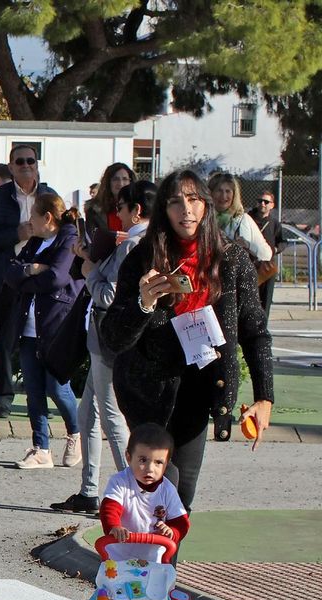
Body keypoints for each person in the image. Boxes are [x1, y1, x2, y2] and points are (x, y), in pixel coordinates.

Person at [101, 169, 275, 510]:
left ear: (207, 206)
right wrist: (143, 304)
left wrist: (264, 398)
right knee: (158, 491)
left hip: (201, 386)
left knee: (181, 499)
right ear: (164, 210)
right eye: (176, 202)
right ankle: (149, 562)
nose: (186, 210)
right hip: (148, 392)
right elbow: (114, 339)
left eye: (194, 200)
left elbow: (255, 332)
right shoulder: (142, 257)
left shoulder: (233, 259)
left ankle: (162, 565)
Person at [53, 180, 152, 514]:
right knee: (90, 411)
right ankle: (89, 489)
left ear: (136, 209)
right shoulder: (134, 241)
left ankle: (134, 492)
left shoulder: (133, 243)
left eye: (121, 208)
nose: (117, 214)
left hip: (110, 338)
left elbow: (110, 295)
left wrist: (89, 269)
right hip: (104, 338)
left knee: (110, 414)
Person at [0, 145, 58, 418]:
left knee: (43, 340)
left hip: (41, 280)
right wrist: (15, 233)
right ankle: (2, 400)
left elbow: (64, 233)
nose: (25, 165)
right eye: (19, 161)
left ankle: (46, 398)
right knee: (6, 342)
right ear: (10, 167)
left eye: (30, 161)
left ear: (37, 164)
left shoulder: (49, 197)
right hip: (8, 279)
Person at [4, 193, 81, 469]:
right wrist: (33, 269)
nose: (29, 222)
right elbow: (11, 274)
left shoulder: (69, 237)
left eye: (33, 216)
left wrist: (29, 276)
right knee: (34, 390)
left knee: (57, 388)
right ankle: (41, 448)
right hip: (28, 326)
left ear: (47, 217)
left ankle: (75, 432)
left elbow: (58, 277)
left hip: (56, 326)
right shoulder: (35, 241)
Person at [95, 423, 190, 562]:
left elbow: (181, 523)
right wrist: (114, 527)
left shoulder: (167, 490)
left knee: (159, 583)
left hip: (153, 560)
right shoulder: (120, 482)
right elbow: (110, 507)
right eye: (143, 460)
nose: (150, 469)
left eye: (158, 462)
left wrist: (172, 532)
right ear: (128, 457)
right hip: (118, 557)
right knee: (112, 583)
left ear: (167, 463)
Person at [209, 172, 273, 281]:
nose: (224, 196)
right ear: (210, 193)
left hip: (234, 282)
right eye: (219, 190)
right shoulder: (203, 219)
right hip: (208, 280)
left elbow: (266, 254)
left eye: (228, 191)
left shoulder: (242, 219)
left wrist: (247, 246)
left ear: (234, 195)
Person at [83, 163, 134, 266]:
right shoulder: (94, 210)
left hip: (131, 259)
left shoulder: (139, 208)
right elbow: (92, 242)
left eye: (125, 179)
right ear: (108, 182)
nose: (120, 183)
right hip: (105, 264)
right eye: (115, 179)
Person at [249, 189, 286, 315]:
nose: (262, 204)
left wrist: (275, 249)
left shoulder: (274, 223)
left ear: (272, 205)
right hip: (250, 265)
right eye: (260, 201)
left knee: (266, 300)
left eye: (266, 201)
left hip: (267, 266)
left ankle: (263, 328)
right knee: (249, 300)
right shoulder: (248, 219)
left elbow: (282, 242)